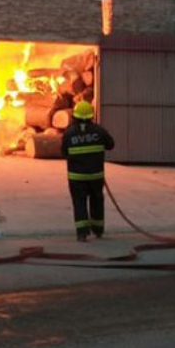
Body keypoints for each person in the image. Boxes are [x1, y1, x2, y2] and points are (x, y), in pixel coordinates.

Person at [60, 100, 114, 242]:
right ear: (91, 115)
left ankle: (82, 233)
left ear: (74, 116)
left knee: (79, 202)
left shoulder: (69, 133)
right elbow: (111, 145)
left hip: (76, 177)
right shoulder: (99, 131)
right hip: (96, 176)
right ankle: (98, 230)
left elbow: (63, 152)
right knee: (97, 200)